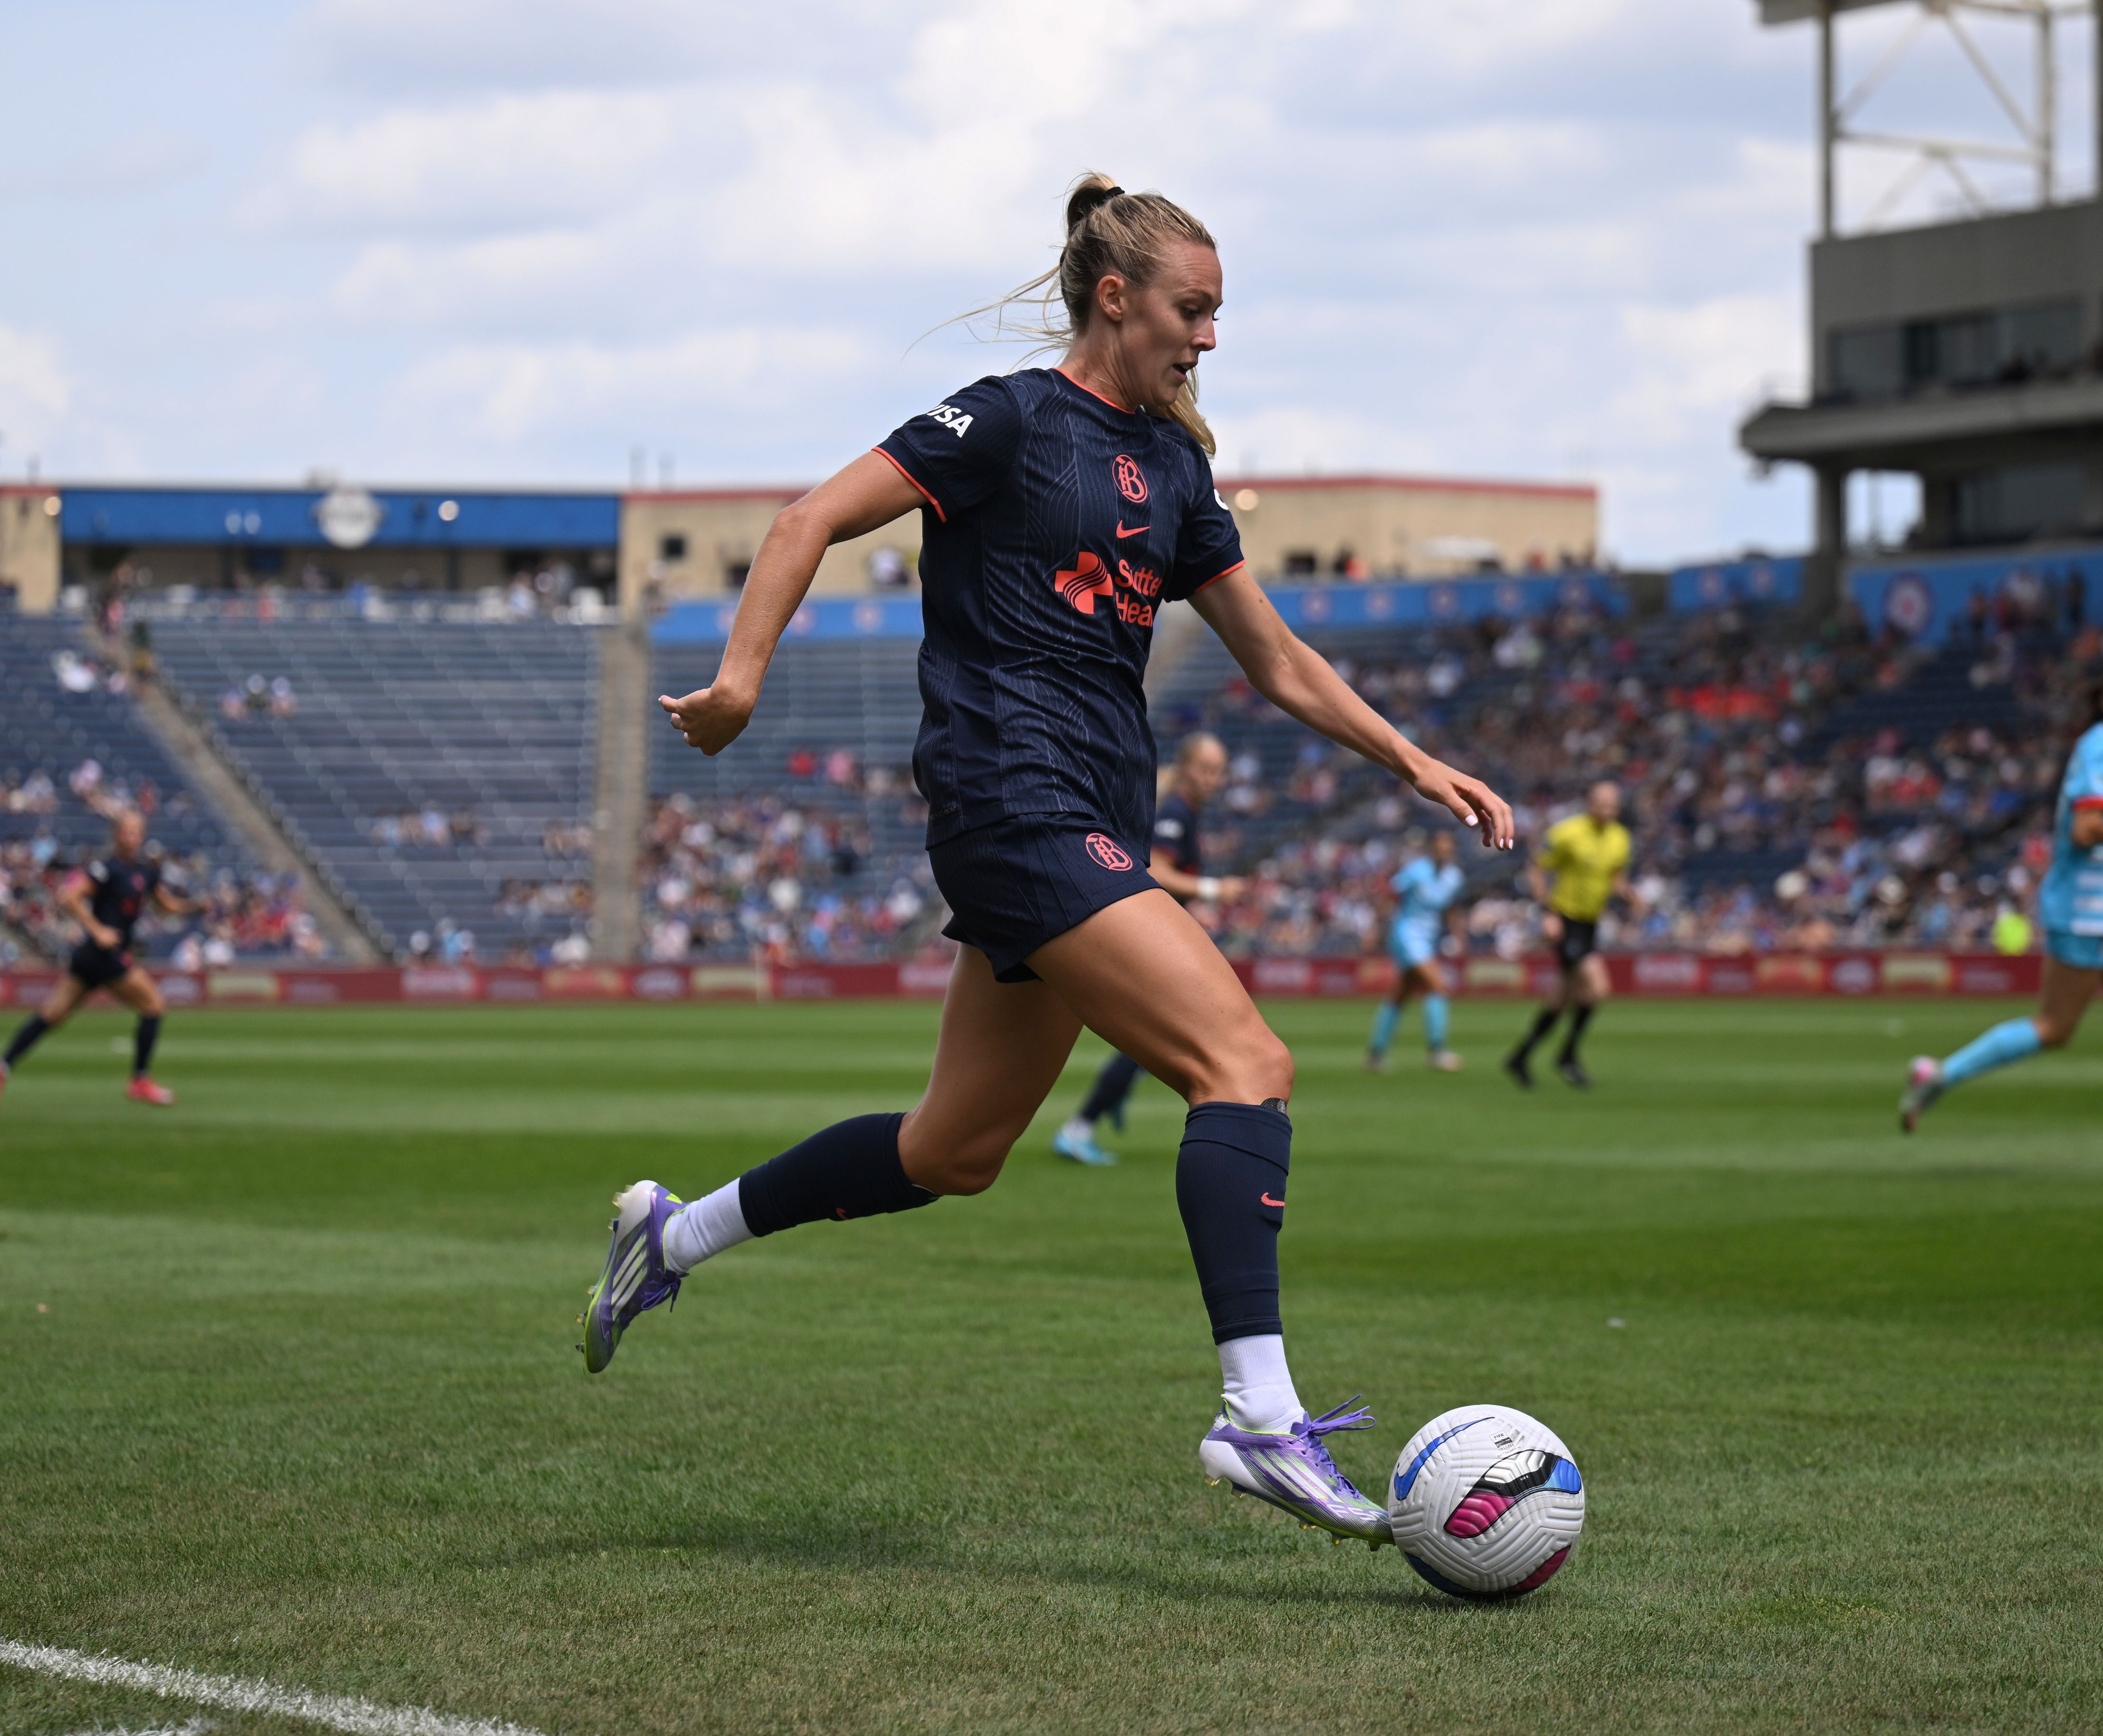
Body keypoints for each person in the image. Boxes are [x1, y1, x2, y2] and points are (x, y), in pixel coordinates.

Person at [577, 174, 1514, 1548]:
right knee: (1242, 1065)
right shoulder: (1006, 421)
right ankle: (1257, 1417)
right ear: (1115, 294)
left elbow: (1276, 658)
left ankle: (673, 1235)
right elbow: (803, 522)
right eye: (1193, 309)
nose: (1208, 338)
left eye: (1218, 313)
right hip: (1012, 805)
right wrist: (733, 683)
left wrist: (1410, 759)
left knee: (952, 1149)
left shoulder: (1175, 469)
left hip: (1085, 816)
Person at [1900, 665, 2103, 1167]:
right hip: (2080, 909)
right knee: (2053, 1028)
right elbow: (2085, 831)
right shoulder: (2099, 749)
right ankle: (1940, 1075)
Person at [1052, 731, 1234, 1165]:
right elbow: (1157, 869)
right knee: (1170, 1037)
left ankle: (1091, 1118)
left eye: (1217, 771)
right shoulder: (1175, 811)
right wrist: (1212, 889)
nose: (1211, 779)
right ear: (1186, 768)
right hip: (1152, 940)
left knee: (1156, 1041)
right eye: (1204, 769)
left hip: (1157, 936)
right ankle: (1082, 1126)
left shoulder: (1181, 809)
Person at [0, 811, 196, 1111]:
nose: (132, 837)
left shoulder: (147, 871)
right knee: (153, 1005)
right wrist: (98, 930)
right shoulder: (106, 868)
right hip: (106, 954)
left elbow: (165, 905)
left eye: (137, 832)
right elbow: (69, 897)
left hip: (92, 957)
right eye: (127, 831)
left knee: (52, 1015)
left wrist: (195, 906)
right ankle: (139, 1080)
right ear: (117, 834)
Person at [1505, 780, 1629, 1089]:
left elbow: (1615, 877)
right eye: (1602, 803)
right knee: (1597, 987)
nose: (1607, 810)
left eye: (1612, 805)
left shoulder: (1621, 838)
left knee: (1562, 998)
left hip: (1590, 923)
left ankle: (1521, 1056)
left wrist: (1629, 895)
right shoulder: (1567, 833)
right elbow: (1536, 867)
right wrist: (1547, 913)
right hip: (1566, 919)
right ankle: (1568, 1055)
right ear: (1589, 802)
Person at [1367, 828, 1466, 1072]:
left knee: (1400, 995)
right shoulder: (1416, 871)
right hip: (1407, 936)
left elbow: (1450, 907)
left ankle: (1375, 1054)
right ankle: (1437, 1051)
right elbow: (1391, 893)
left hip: (1429, 940)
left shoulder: (1454, 877)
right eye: (1440, 846)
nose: (1444, 851)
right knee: (1438, 986)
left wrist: (1458, 934)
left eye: (1448, 846)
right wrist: (1375, 928)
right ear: (1432, 848)